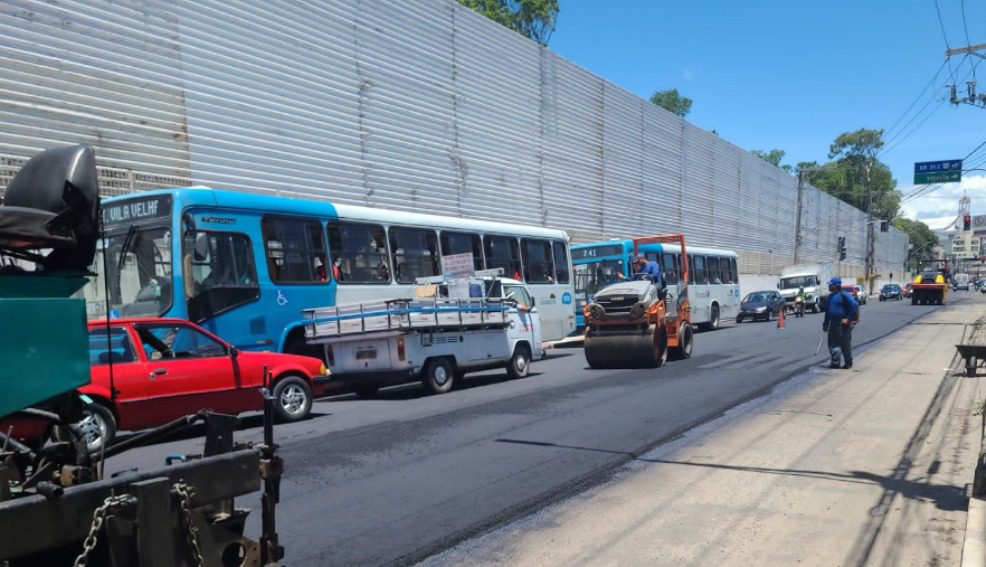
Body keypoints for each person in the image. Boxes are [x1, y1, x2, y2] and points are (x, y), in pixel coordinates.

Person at [822, 276, 859, 369]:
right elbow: (827, 312)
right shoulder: (830, 297)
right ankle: (835, 363)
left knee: (845, 344)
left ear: (836, 285)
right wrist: (825, 323)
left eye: (831, 285)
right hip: (833, 324)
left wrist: (849, 319)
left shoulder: (843, 295)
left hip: (843, 325)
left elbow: (855, 305)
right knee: (833, 344)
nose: (829, 286)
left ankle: (848, 363)